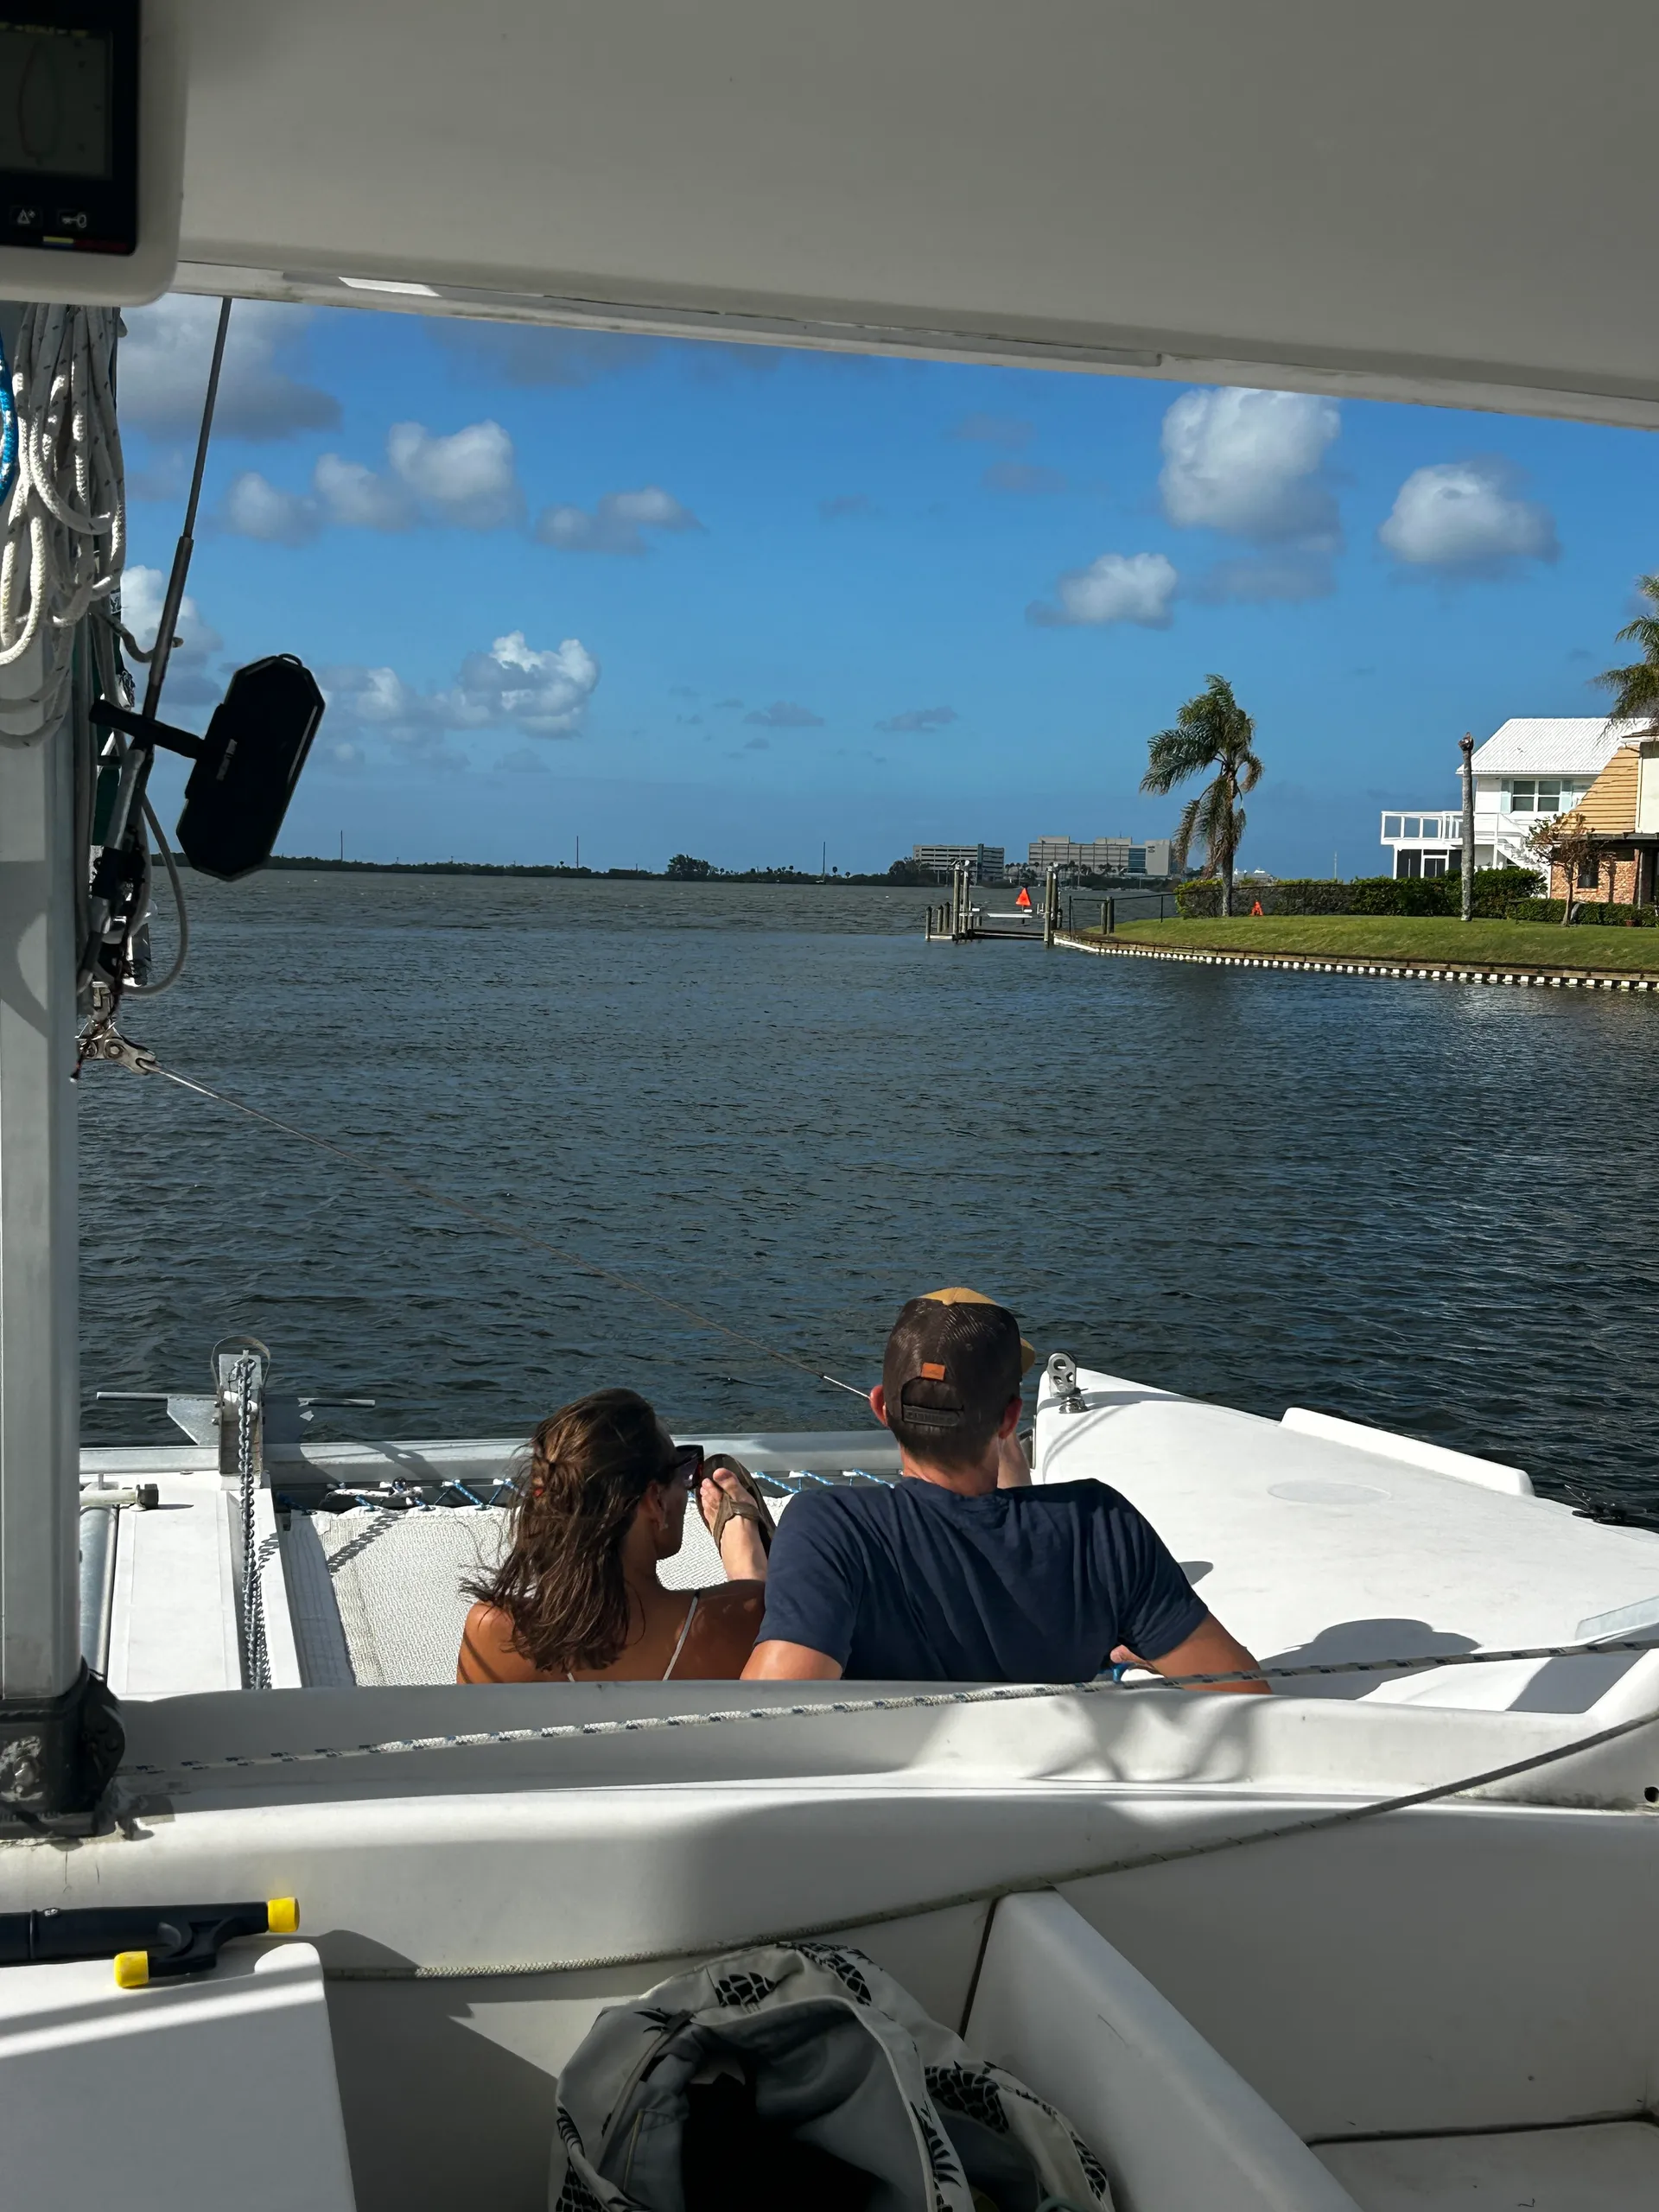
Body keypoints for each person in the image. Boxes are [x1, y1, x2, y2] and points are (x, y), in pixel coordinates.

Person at [743, 1288, 1267, 1690]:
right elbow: (1247, 1695)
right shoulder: (1100, 1525)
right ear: (1010, 1420)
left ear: (881, 1407)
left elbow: (759, 1724)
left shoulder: (828, 1527)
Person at [458, 1388, 774, 1683]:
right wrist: (753, 1579)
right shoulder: (741, 1615)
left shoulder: (493, 1632)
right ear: (655, 1501)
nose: (687, 1485)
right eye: (682, 1470)